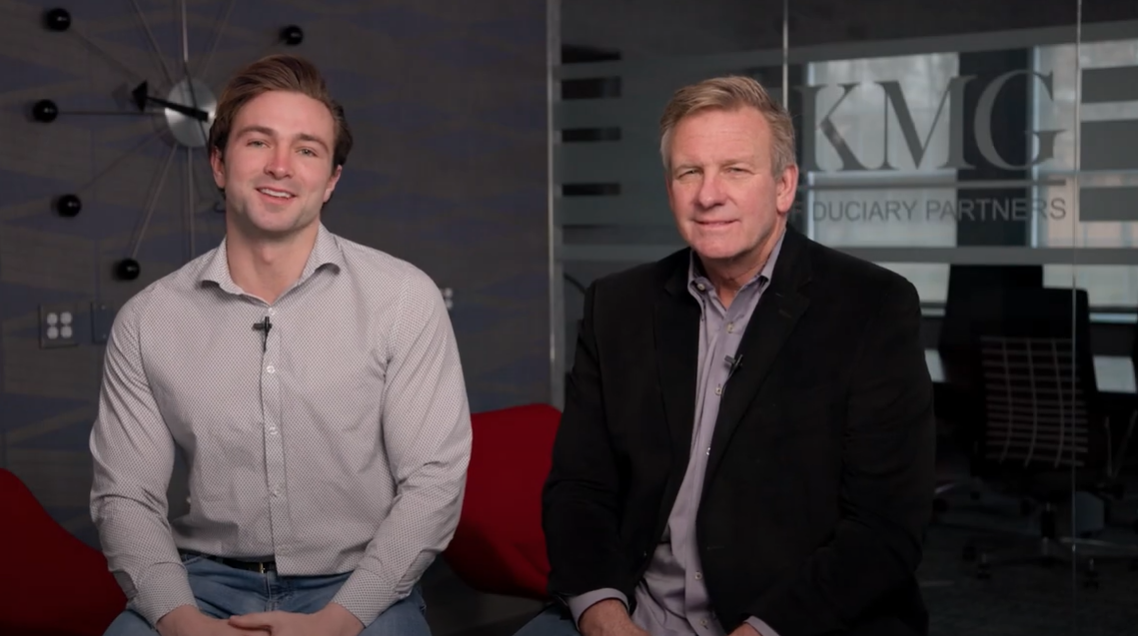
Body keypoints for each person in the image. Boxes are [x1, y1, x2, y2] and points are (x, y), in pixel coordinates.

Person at [518, 76, 935, 636]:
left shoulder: (872, 307)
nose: (708, 194)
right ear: (670, 189)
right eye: (689, 172)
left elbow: (884, 526)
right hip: (636, 610)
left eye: (735, 170)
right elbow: (580, 487)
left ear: (784, 186)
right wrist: (603, 615)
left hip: (793, 621)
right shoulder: (617, 307)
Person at [89, 53, 472, 636]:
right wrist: (183, 621)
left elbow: (434, 481)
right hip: (203, 587)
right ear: (219, 163)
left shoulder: (402, 299)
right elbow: (125, 496)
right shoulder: (148, 321)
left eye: (307, 150)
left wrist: (340, 620)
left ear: (331, 180)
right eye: (258, 142)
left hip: (358, 586)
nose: (280, 166)